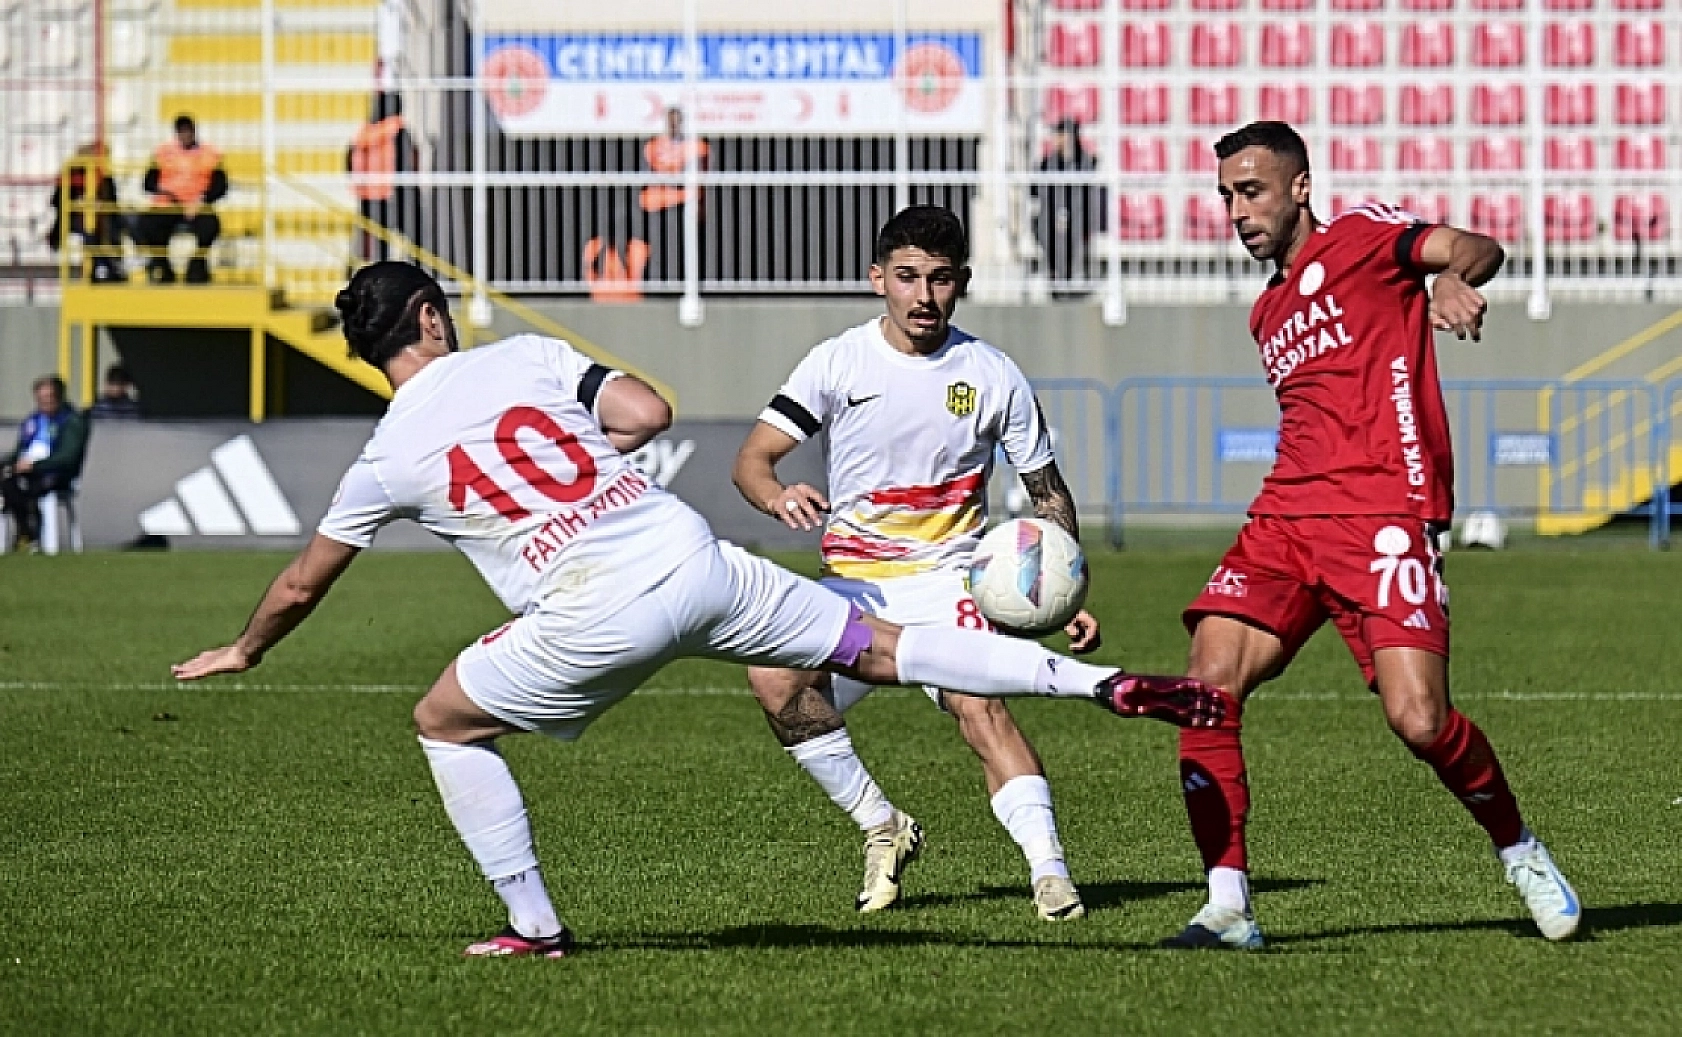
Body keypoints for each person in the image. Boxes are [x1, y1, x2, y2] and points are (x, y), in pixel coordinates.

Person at [170, 262, 1228, 959]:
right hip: (691, 552)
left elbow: (305, 577)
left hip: (589, 609)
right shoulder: (523, 358)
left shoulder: (387, 451)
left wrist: (244, 646)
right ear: (434, 317)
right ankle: (1102, 682)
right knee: (895, 650)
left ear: (373, 350)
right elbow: (647, 411)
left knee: (443, 719)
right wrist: (589, 469)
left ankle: (533, 923)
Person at [1159, 121, 1580, 951]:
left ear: (1301, 187)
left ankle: (1521, 851)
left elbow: (1477, 246)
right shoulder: (1267, 309)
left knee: (1419, 719)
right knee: (1207, 681)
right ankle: (1229, 902)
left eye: (1252, 191)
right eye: (1227, 197)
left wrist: (1451, 280)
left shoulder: (1363, 237)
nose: (1238, 211)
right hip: (1285, 520)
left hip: (1386, 512)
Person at [734, 206, 1101, 921]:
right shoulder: (839, 361)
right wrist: (777, 497)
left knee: (979, 705)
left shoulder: (993, 374)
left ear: (961, 282)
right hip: (855, 585)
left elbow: (1047, 493)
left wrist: (1064, 584)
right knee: (775, 679)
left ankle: (1050, 874)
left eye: (939, 279)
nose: (923, 296)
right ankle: (883, 823)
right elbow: (752, 460)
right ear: (879, 280)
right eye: (907, 277)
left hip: (952, 580)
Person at [136, 115, 228, 284]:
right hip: (168, 205)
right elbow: (148, 183)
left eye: (188, 130)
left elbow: (220, 186)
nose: (185, 134)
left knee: (210, 226)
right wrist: (166, 195)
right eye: (181, 131)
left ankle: (197, 267)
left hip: (197, 205)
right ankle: (162, 266)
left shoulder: (210, 154)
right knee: (147, 224)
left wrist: (202, 200)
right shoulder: (163, 153)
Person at [1, 376, 88, 553]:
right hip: (28, 470)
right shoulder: (33, 421)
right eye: (41, 399)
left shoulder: (71, 422)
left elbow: (67, 457)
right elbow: (20, 450)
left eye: (49, 398)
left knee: (24, 487)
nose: (44, 402)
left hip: (56, 474)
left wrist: (36, 465)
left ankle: (30, 534)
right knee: (7, 483)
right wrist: (11, 463)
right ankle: (27, 532)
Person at [1031, 118, 1104, 296]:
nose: (1060, 139)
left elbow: (1086, 196)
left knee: (1073, 230)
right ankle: (1057, 277)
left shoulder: (1086, 162)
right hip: (1051, 215)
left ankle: (1067, 278)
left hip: (1079, 215)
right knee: (1046, 229)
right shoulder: (1047, 163)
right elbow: (1037, 192)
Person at [348, 91, 421, 262]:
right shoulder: (398, 131)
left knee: (378, 246)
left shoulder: (363, 133)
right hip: (394, 193)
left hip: (369, 195)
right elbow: (409, 160)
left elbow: (350, 160)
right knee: (415, 238)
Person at [639, 106, 708, 284]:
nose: (673, 125)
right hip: (657, 204)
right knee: (658, 247)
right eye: (670, 120)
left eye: (676, 120)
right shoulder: (652, 146)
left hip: (684, 202)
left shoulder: (696, 146)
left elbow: (695, 174)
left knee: (685, 247)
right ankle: (657, 283)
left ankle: (685, 282)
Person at [45, 144, 126, 283]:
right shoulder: (70, 173)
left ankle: (113, 266)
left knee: (115, 226)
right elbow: (57, 201)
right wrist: (80, 204)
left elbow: (113, 201)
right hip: (75, 217)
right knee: (91, 231)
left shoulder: (104, 175)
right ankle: (99, 270)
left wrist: (101, 205)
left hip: (101, 217)